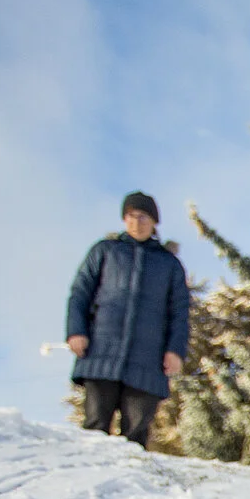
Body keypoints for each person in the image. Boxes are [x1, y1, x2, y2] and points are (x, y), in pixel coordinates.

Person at [65, 192, 190, 448]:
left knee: (135, 437)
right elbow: (80, 293)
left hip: (148, 361)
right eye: (131, 216)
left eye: (143, 217)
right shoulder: (105, 251)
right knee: (94, 430)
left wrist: (175, 350)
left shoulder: (169, 265)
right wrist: (76, 331)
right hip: (101, 352)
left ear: (154, 222)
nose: (136, 222)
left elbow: (180, 312)